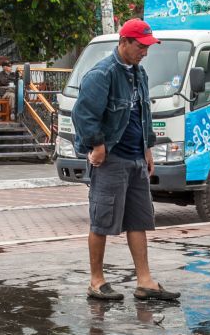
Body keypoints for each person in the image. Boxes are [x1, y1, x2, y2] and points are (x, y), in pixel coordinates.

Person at [72, 18, 180, 302]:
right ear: (124, 43)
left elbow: (144, 114)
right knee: (101, 220)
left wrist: (147, 149)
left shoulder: (139, 73)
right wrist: (96, 145)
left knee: (139, 220)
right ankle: (97, 281)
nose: (145, 52)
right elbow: (83, 115)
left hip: (135, 157)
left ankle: (145, 281)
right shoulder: (102, 74)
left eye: (148, 47)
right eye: (141, 46)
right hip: (112, 159)